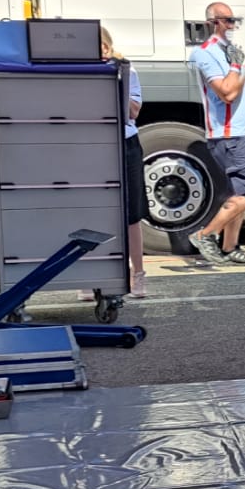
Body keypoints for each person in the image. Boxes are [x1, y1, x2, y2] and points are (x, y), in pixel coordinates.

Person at [186, 2, 245, 267]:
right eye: (227, 20)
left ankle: (230, 247)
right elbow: (227, 93)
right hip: (227, 135)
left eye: (234, 20)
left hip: (238, 133)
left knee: (236, 192)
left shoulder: (229, 51)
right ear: (212, 23)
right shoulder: (205, 53)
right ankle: (206, 234)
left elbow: (239, 94)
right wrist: (236, 66)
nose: (232, 25)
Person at [101, 27, 147, 297]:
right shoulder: (80, 74)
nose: (101, 51)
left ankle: (138, 273)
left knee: (131, 213)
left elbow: (134, 111)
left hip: (125, 141)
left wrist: (117, 80)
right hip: (95, 142)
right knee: (95, 210)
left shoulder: (126, 70)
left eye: (103, 45)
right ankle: (93, 276)